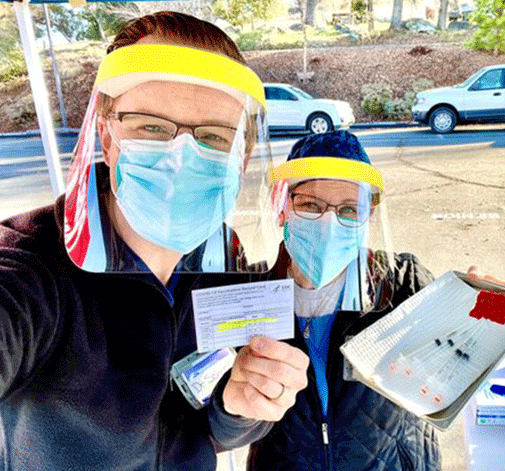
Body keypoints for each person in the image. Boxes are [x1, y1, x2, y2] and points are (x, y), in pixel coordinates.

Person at [0, 11, 308, 471]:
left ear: (241, 159)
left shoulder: (225, 261)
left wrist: (241, 408)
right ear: (107, 138)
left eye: (213, 136)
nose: (182, 155)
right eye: (151, 126)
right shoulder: (32, 267)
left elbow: (210, 428)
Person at [249, 130, 441, 470]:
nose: (329, 223)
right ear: (282, 208)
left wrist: (488, 309)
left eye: (349, 209)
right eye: (310, 205)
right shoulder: (251, 294)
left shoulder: (401, 283)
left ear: (367, 217)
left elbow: (465, 352)